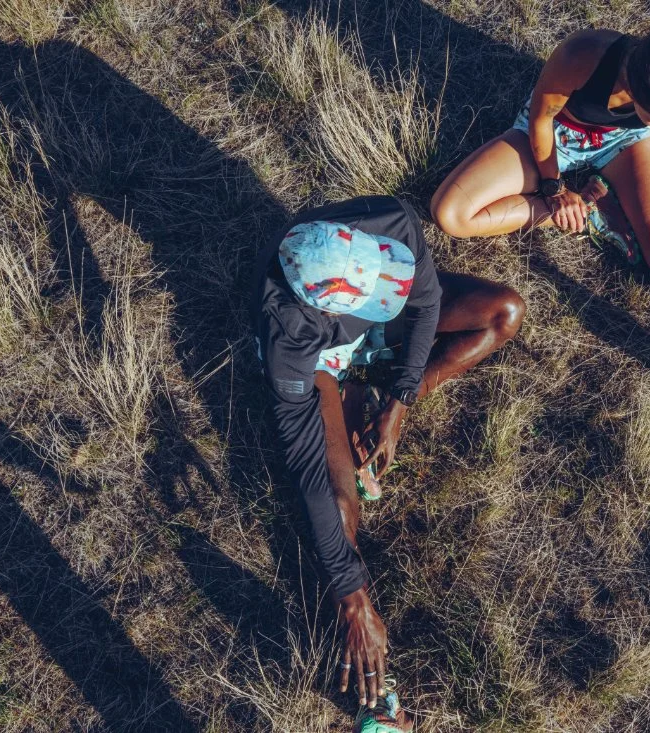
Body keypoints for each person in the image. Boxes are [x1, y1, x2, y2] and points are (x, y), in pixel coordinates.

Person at [251, 196, 524, 731]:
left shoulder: (390, 224)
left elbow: (420, 305)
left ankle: (370, 397)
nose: (385, 291)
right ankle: (369, 680)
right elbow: (310, 477)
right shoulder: (287, 338)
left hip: (370, 336)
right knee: (337, 499)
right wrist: (353, 596)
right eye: (368, 298)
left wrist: (400, 401)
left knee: (503, 312)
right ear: (327, 307)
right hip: (321, 364)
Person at [431, 26, 650, 433]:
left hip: (624, 144)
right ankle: (589, 204)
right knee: (451, 212)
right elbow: (541, 120)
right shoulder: (583, 55)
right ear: (635, 86)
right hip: (556, 135)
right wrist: (554, 190)